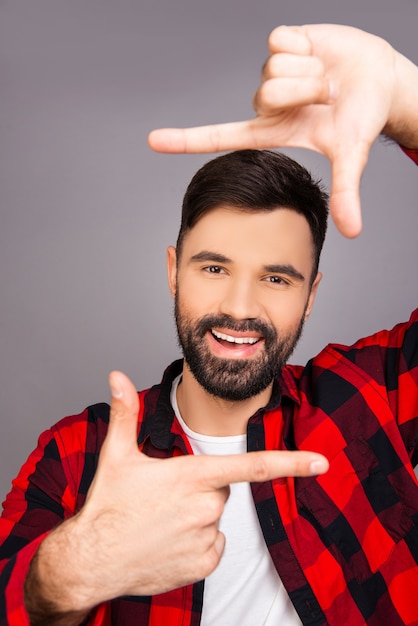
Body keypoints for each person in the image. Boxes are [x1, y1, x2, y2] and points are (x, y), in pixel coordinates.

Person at [0, 23, 417, 626]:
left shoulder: (371, 398)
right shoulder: (75, 455)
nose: (242, 307)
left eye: (277, 278)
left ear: (311, 294)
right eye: (215, 267)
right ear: (174, 271)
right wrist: (69, 571)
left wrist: (406, 100)